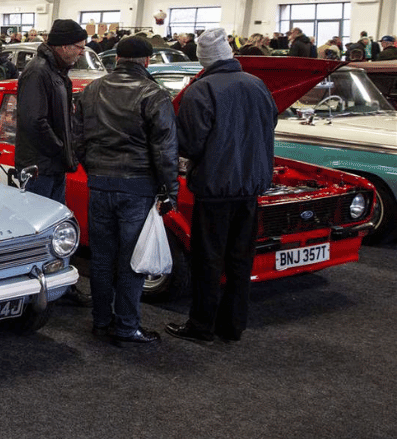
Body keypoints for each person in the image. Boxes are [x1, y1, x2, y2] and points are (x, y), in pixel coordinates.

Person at [167, 28, 277, 344]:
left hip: (215, 189)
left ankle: (201, 325)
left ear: (204, 59)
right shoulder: (257, 85)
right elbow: (271, 124)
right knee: (241, 258)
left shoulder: (201, 91)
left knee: (208, 259)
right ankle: (233, 325)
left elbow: (190, 143)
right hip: (250, 188)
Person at [73, 37, 178, 346]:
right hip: (137, 187)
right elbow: (165, 150)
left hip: (100, 184)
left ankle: (101, 321)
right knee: (132, 260)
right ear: (146, 61)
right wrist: (169, 191)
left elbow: (78, 140)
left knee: (102, 259)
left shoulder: (91, 91)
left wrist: (94, 170)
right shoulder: (154, 94)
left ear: (117, 58)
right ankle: (127, 326)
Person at [14, 19, 86, 204]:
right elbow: (35, 121)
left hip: (52, 165)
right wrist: (60, 148)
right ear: (64, 46)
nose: (82, 52)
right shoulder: (38, 72)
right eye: (79, 47)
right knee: (39, 221)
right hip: (39, 168)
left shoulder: (56, 71)